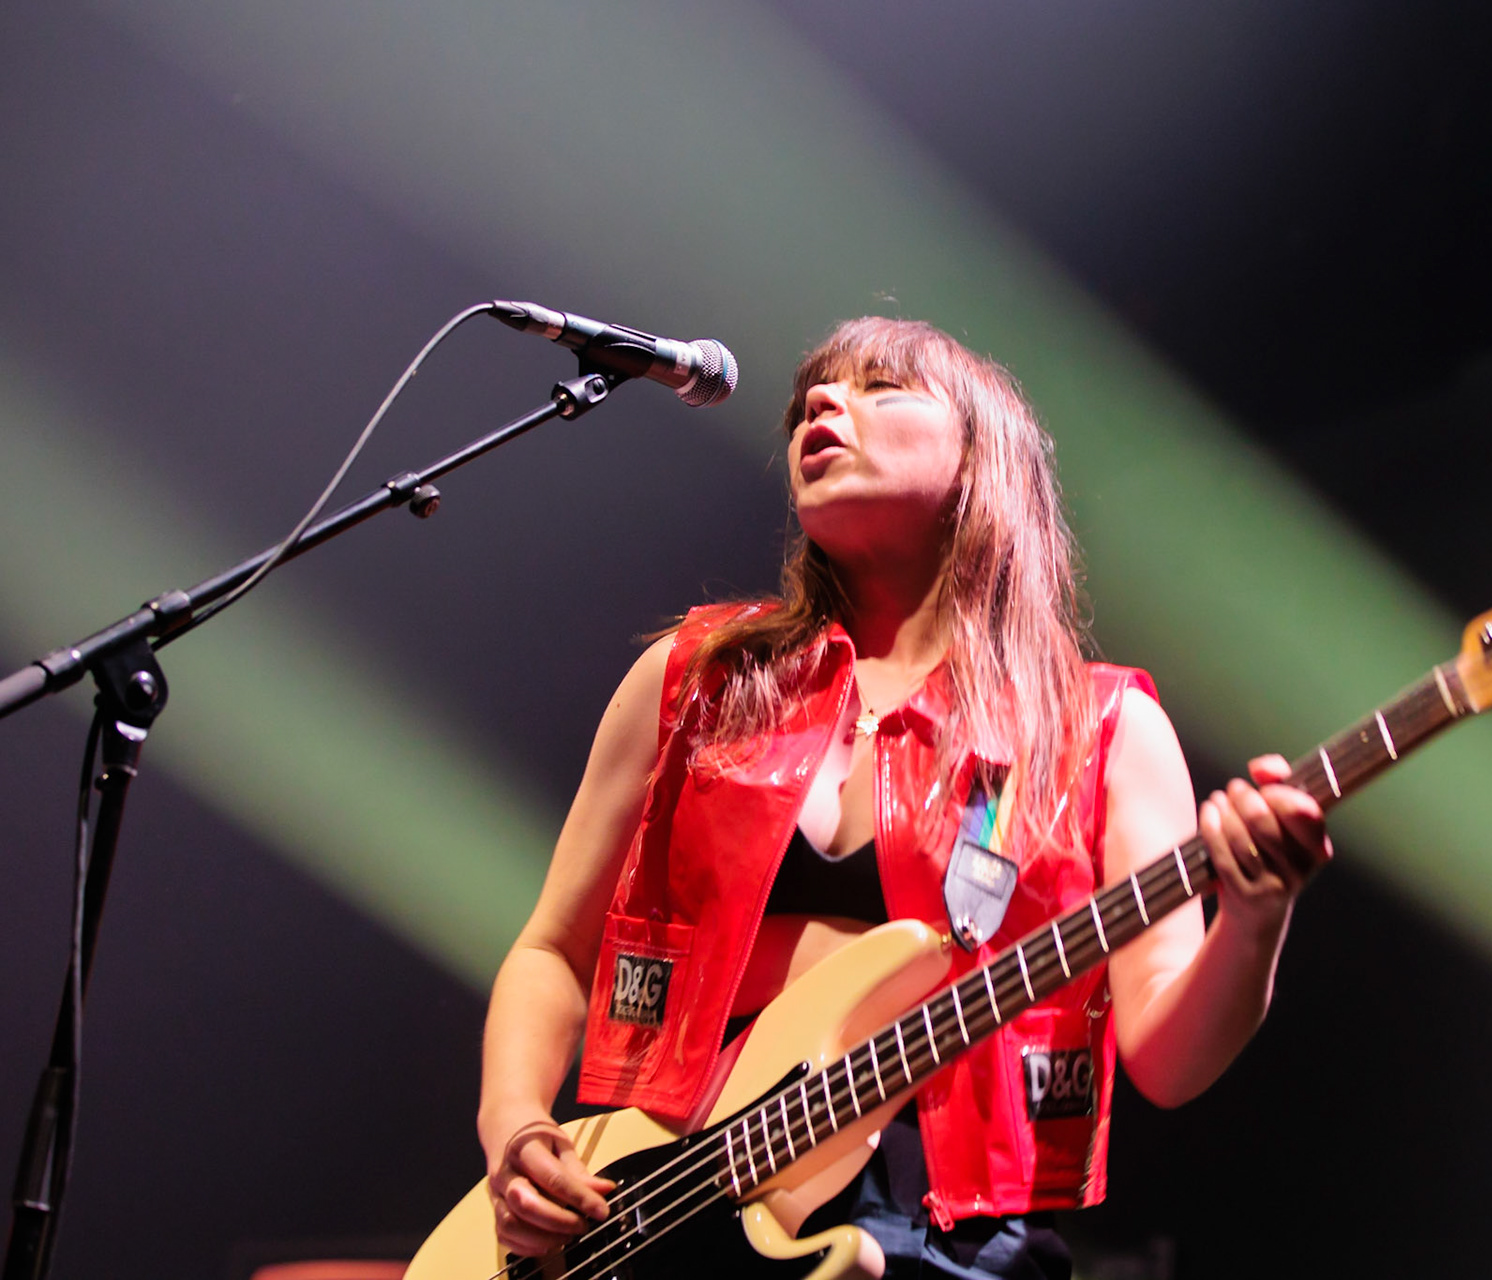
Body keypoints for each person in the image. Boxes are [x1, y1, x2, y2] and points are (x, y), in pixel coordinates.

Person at [475, 317, 1331, 1278]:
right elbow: (553, 951)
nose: (822, 404)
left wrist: (1255, 917)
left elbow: (1169, 1058)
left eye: (880, 386)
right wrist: (516, 1128)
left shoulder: (1101, 730)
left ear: (980, 459)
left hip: (955, 1247)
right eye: (810, 399)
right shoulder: (696, 681)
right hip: (661, 1223)